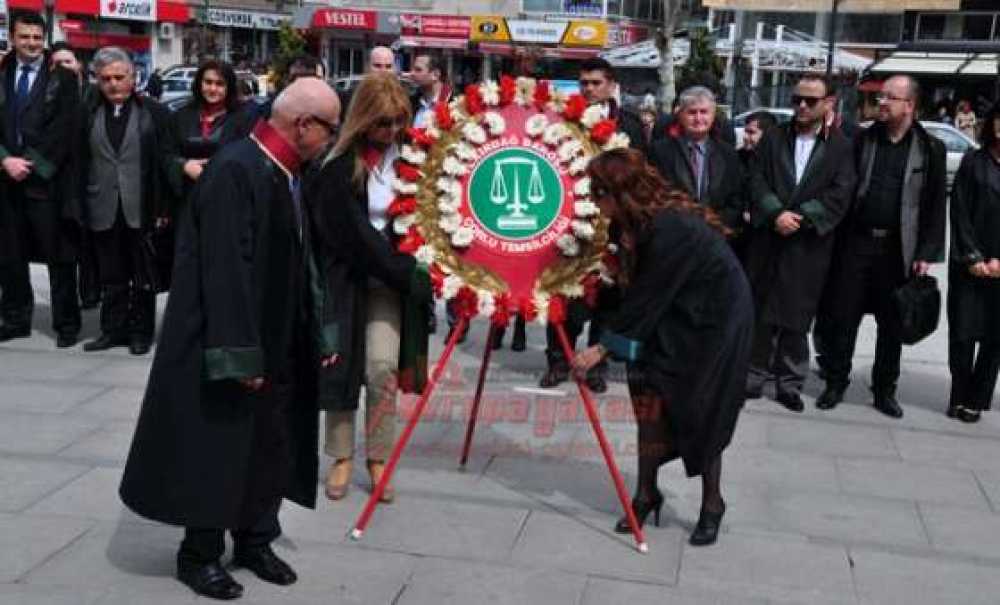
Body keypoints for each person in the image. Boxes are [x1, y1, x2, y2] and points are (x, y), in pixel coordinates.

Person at [119, 78, 342, 600]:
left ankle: (255, 537)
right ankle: (198, 553)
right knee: (217, 446)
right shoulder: (236, 170)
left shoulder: (289, 172)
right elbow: (223, 272)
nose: (331, 141)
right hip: (230, 340)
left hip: (278, 332)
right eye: (329, 129)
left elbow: (305, 257)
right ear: (304, 125)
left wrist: (319, 327)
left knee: (270, 442)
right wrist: (240, 354)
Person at [572, 148, 753, 547]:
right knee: (647, 400)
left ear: (621, 193)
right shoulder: (630, 221)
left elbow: (647, 297)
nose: (593, 200)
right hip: (673, 312)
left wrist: (600, 350)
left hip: (714, 320)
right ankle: (646, 493)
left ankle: (712, 503)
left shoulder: (670, 226)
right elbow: (632, 288)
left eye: (597, 192)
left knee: (702, 407)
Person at [309, 72, 431, 503]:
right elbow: (351, 236)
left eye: (398, 121)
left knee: (381, 367)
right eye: (383, 122)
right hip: (347, 278)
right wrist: (403, 269)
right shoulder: (337, 166)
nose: (391, 131)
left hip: (389, 283)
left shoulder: (413, 158)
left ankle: (379, 457)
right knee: (339, 367)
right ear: (363, 119)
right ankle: (340, 457)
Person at [814, 75, 946, 418]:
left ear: (910, 105)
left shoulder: (930, 148)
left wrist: (925, 254)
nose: (882, 102)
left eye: (891, 97)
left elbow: (934, 206)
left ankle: (885, 389)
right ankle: (835, 381)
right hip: (855, 245)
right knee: (844, 318)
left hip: (897, 250)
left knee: (892, 324)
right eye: (881, 96)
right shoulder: (861, 139)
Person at [743, 75, 856, 412]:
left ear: (828, 104)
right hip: (769, 237)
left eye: (810, 100)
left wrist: (802, 217)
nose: (802, 106)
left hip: (807, 244)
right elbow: (756, 178)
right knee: (761, 309)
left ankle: (789, 383)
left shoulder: (840, 146)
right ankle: (753, 375)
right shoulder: (775, 137)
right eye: (797, 100)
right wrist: (775, 212)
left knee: (797, 313)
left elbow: (841, 192)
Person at [539, 57, 646, 391]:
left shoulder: (628, 122)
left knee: (608, 301)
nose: (588, 88)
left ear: (611, 84)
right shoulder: (561, 119)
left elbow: (640, 171)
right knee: (566, 299)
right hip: (568, 222)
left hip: (613, 225)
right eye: (583, 82)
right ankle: (558, 360)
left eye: (595, 82)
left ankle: (597, 365)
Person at [78, 47, 171, 356]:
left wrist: (162, 208)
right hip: (102, 206)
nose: (113, 84)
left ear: (133, 77)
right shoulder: (89, 112)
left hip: (141, 208)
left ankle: (141, 333)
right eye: (106, 79)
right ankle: (112, 330)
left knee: (142, 274)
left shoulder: (153, 113)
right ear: (97, 81)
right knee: (111, 274)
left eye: (120, 77)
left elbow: (163, 164)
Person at [0, 12, 81, 347]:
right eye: (25, 37)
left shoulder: (61, 77)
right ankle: (16, 318)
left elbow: (66, 129)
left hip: (46, 181)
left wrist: (29, 164)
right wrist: (5, 160)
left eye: (37, 37)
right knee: (9, 254)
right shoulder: (1, 71)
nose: (32, 43)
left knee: (58, 256)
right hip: (6, 180)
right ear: (12, 37)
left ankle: (66, 323)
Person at [946, 103, 1000, 423]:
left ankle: (977, 400)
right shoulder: (973, 162)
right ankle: (958, 395)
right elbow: (960, 212)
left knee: (995, 339)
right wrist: (973, 256)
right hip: (969, 264)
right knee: (963, 334)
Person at [648, 86, 743, 230]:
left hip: (717, 236)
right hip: (674, 234)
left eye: (704, 112)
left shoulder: (728, 154)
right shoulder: (660, 151)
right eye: (692, 112)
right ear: (680, 115)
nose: (698, 119)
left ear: (713, 115)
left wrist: (715, 224)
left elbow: (736, 199)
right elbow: (655, 195)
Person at [50, 42, 101, 311]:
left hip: (95, 183)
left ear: (78, 65)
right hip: (62, 187)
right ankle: (68, 310)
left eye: (67, 62)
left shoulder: (97, 94)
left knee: (94, 247)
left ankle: (92, 293)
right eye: (57, 64)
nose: (63, 68)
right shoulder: (47, 97)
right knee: (65, 252)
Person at [164, 60, 256, 205]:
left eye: (220, 84)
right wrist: (184, 166)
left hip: (227, 200)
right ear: (199, 83)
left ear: (229, 87)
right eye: (208, 82)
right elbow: (166, 154)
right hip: (185, 200)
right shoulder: (180, 117)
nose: (213, 89)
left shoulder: (243, 120)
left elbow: (250, 161)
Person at [409, 51, 452, 129]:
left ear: (435, 75)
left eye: (418, 70)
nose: (412, 73)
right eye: (412, 69)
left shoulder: (453, 104)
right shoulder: (411, 102)